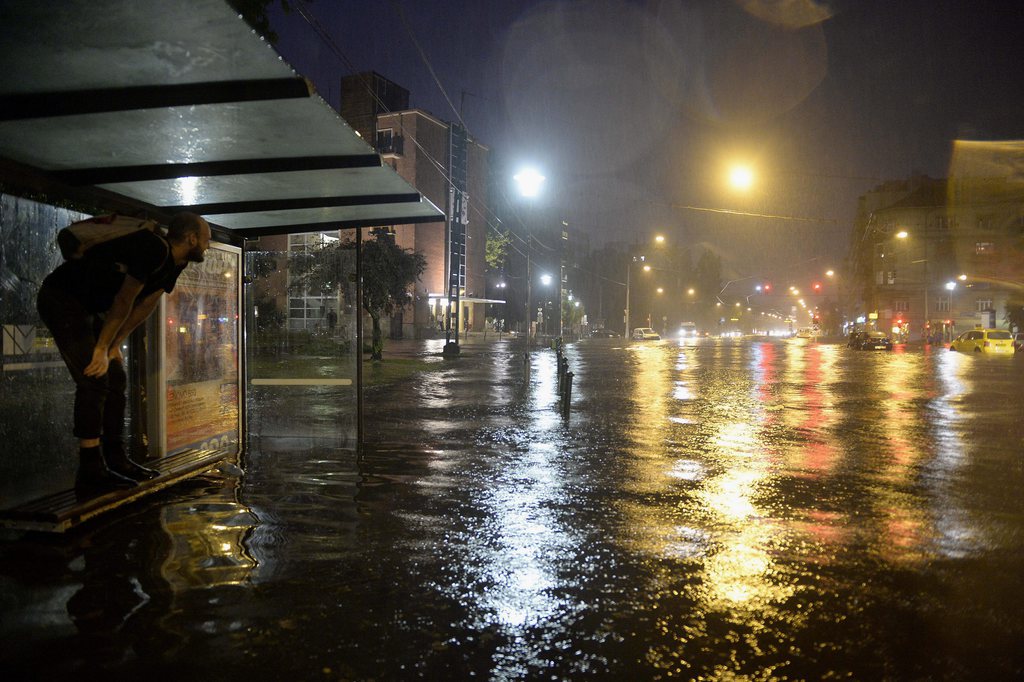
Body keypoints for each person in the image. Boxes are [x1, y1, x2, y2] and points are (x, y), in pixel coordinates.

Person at [37, 212, 212, 491]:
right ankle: (90, 469)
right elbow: (124, 300)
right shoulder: (154, 249)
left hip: (88, 309)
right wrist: (102, 348)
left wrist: (114, 343)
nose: (207, 246)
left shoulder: (175, 263)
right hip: (61, 300)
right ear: (191, 238)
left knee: (116, 377)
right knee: (94, 377)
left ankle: (116, 459)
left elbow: (145, 306)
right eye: (206, 239)